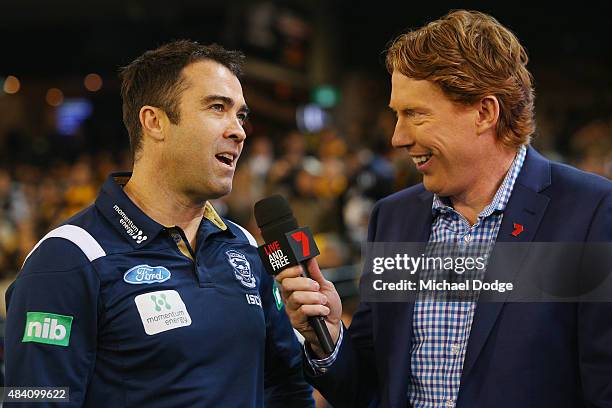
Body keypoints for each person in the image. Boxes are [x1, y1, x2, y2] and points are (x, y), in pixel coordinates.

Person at [275, 10, 612, 408]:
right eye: (396, 114)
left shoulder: (589, 212)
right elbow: (370, 387)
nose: (398, 137)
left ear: (484, 113)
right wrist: (328, 337)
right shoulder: (395, 219)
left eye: (416, 114)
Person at [4, 40, 314, 407]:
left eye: (241, 116)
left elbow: (287, 387)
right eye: (218, 108)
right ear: (154, 122)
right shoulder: (68, 258)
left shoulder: (244, 246)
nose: (239, 131)